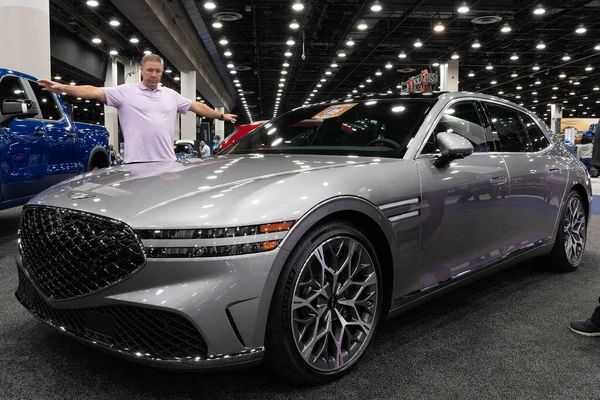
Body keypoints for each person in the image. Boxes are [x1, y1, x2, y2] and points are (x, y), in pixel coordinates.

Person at [37, 54, 237, 164]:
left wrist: (220, 115)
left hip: (167, 162)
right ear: (141, 70)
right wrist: (63, 88)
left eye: (158, 71)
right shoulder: (125, 92)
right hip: (136, 163)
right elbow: (94, 91)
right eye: (150, 70)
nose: (154, 75)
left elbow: (196, 106)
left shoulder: (170, 95)